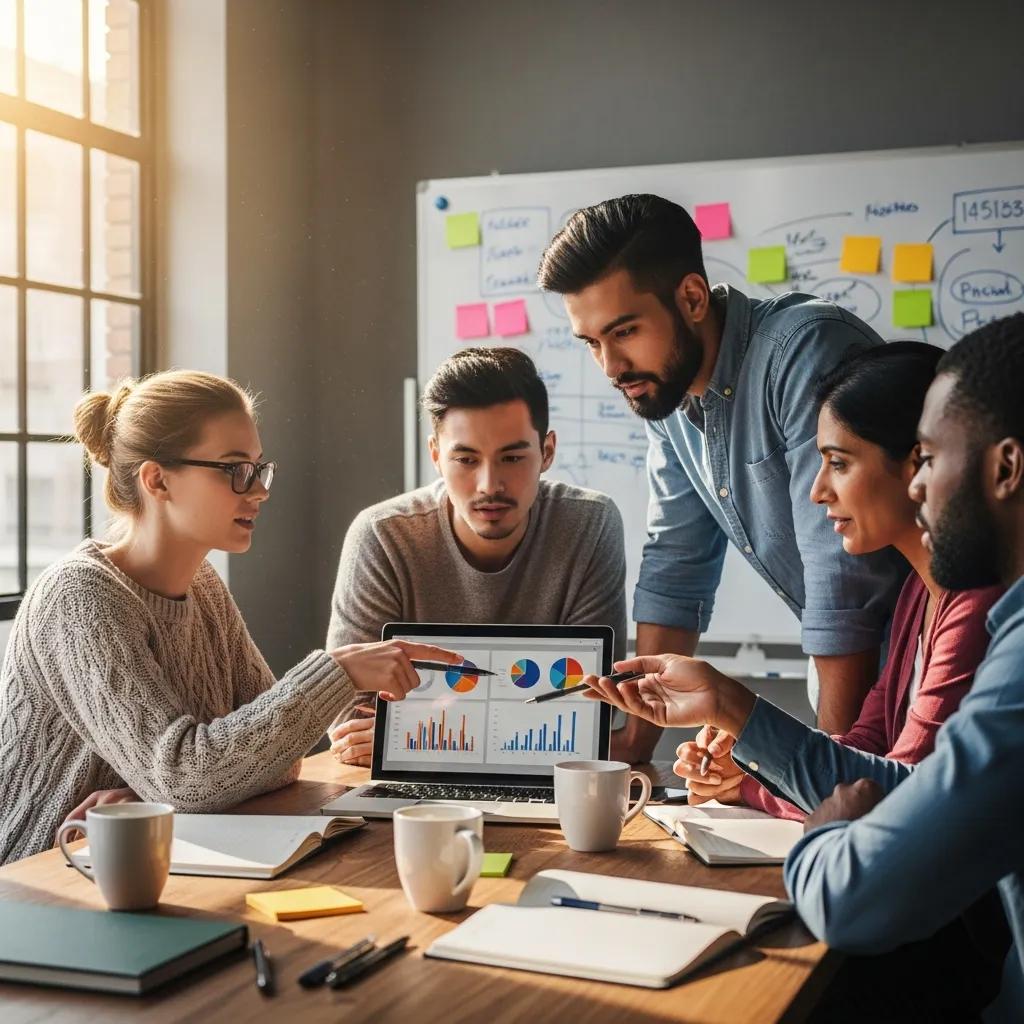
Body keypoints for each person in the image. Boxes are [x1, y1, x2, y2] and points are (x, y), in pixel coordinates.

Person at [584, 313, 1024, 1020]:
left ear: (1005, 469)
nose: (918, 487)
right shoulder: (920, 595)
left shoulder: (1000, 635)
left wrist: (821, 826)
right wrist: (748, 751)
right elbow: (879, 769)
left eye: (930, 459)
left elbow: (868, 865)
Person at [0, 370, 458, 865]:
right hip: (43, 873)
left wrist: (160, 796)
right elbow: (188, 777)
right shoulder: (80, 597)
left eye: (259, 469)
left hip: (143, 858)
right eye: (236, 469)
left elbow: (279, 761)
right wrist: (336, 673)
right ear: (157, 480)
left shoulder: (202, 585)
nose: (259, 491)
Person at [537, 194, 907, 760]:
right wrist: (632, 750)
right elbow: (675, 568)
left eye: (625, 331)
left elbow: (841, 584)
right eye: (592, 343)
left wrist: (828, 772)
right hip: (853, 693)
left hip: (927, 672)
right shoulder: (666, 393)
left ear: (691, 298)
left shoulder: (802, 350)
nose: (611, 366)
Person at [678, 342, 1001, 816]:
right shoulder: (918, 590)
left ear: (918, 462)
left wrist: (734, 710)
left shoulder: (977, 602)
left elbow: (899, 794)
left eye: (839, 463)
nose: (817, 491)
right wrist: (751, 776)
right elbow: (867, 746)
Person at [326, 347, 627, 767]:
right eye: (466, 459)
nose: (489, 484)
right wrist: (513, 727)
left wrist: (413, 731)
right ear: (436, 455)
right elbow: (349, 718)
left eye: (512, 458)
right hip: (412, 787)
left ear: (547, 452)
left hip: (540, 784)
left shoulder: (589, 525)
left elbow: (593, 711)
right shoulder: (383, 536)